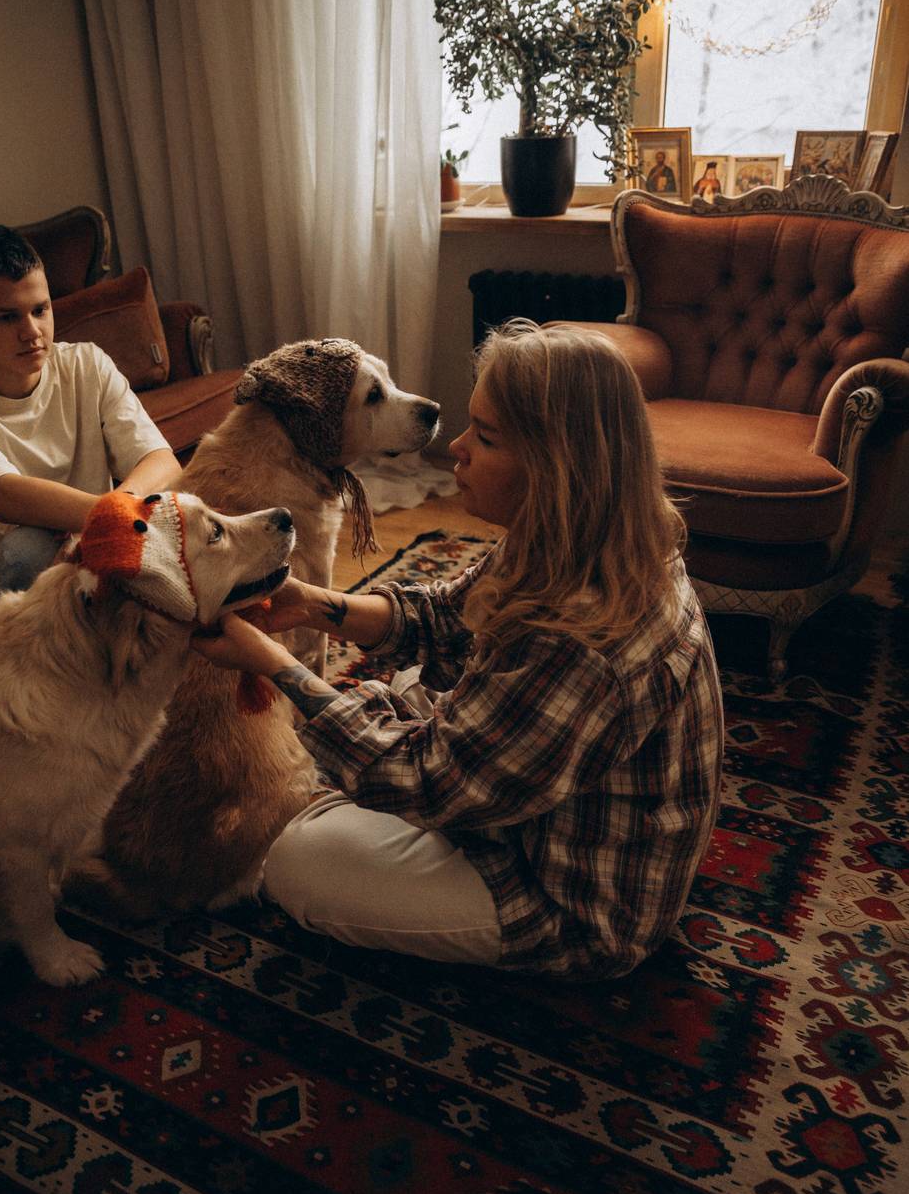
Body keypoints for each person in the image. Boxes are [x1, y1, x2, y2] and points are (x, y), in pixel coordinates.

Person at [194, 321, 725, 980]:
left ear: (556, 466)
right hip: (527, 813)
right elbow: (447, 615)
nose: (457, 448)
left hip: (568, 900)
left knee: (295, 859)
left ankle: (341, 804)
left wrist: (277, 665)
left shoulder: (586, 638)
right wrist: (308, 603)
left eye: (487, 437)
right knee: (392, 697)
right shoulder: (578, 531)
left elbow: (429, 783)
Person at [0, 223, 181, 628]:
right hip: (5, 598)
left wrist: (109, 519)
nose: (32, 332)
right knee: (28, 546)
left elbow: (162, 461)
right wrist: (114, 519)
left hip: (100, 554)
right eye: (7, 317)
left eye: (40, 310)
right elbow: (5, 494)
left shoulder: (87, 364)